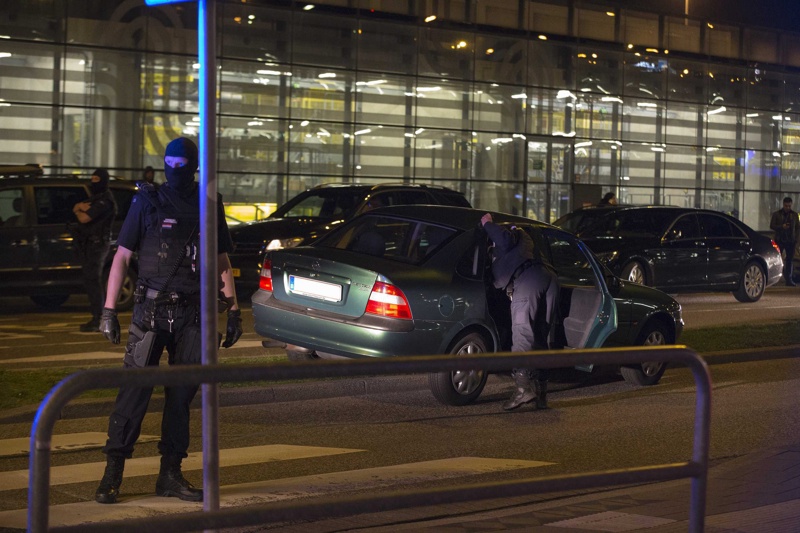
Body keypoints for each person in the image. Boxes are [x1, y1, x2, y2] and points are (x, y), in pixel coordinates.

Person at [95, 137, 243, 504]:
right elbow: (122, 256)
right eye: (169, 162)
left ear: (193, 165)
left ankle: (170, 474)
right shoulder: (146, 200)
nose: (174, 169)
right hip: (150, 311)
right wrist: (109, 310)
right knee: (134, 392)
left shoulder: (209, 204)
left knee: (181, 397)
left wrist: (234, 307)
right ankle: (113, 471)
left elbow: (221, 258)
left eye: (181, 163)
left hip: (194, 312)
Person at [481, 213, 560, 411]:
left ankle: (523, 389)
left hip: (528, 279)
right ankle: (541, 394)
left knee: (523, 332)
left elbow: (504, 238)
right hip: (548, 277)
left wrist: (487, 224)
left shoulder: (515, 234)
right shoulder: (527, 246)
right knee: (541, 336)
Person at [72, 168, 117, 332]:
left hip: (98, 245)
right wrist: (79, 207)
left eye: (97, 179)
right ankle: (98, 317)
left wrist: (77, 209)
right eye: (92, 178)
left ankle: (99, 318)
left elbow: (84, 217)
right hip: (91, 245)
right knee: (91, 281)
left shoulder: (105, 201)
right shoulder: (97, 198)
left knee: (94, 281)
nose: (93, 182)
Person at [770, 196, 800, 286]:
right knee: (778, 259)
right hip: (780, 239)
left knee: (790, 260)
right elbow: (772, 225)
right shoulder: (777, 214)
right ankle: (777, 278)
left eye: (789, 206)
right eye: (786, 206)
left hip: (791, 240)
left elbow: (798, 228)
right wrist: (781, 227)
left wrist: (796, 240)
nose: (787, 208)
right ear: (783, 204)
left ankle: (789, 279)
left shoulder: (794, 215)